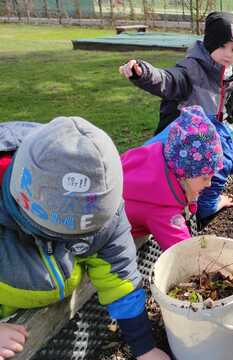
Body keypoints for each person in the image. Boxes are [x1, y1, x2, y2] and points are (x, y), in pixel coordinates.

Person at [0, 118, 169, 360]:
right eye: (69, 238)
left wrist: (144, 348)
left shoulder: (102, 208)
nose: (86, 242)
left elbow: (119, 274)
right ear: (29, 219)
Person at [119, 12, 233, 135]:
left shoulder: (229, 72)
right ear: (210, 44)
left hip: (210, 137)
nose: (228, 54)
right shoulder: (191, 71)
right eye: (222, 46)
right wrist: (144, 72)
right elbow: (167, 79)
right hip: (182, 141)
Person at [122, 106, 223, 250]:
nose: (209, 184)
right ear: (187, 172)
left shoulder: (158, 154)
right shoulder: (162, 208)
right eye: (205, 178)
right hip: (107, 236)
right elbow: (184, 252)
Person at [146, 113, 233, 223]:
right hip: (154, 195)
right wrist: (221, 201)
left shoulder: (207, 123)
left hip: (139, 162)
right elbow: (204, 209)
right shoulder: (221, 158)